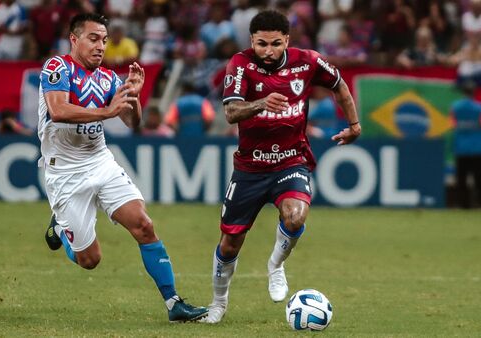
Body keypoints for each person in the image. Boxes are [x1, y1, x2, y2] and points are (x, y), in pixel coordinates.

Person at [37, 13, 208, 323]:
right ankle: (61, 229)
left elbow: (132, 122)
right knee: (90, 260)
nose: (100, 45)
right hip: (65, 172)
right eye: (93, 38)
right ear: (74, 39)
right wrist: (106, 111)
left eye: (104, 40)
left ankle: (174, 303)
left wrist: (133, 95)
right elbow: (58, 110)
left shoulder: (108, 79)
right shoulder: (57, 68)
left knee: (143, 224)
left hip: (100, 161)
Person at [199, 10, 361, 324]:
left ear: (287, 40)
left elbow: (339, 85)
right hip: (250, 168)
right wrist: (261, 103)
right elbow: (231, 112)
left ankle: (275, 265)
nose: (268, 51)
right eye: (261, 44)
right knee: (230, 242)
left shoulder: (308, 61)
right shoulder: (240, 64)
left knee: (296, 215)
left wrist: (354, 124)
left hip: (291, 160)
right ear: (252, 41)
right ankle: (218, 304)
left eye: (275, 43)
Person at [450, 81, 481, 208]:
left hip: (460, 147)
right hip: (477, 147)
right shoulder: (478, 107)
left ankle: (463, 204)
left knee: (461, 178)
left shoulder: (455, 107)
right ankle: (478, 203)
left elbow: (453, 124)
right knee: (478, 178)